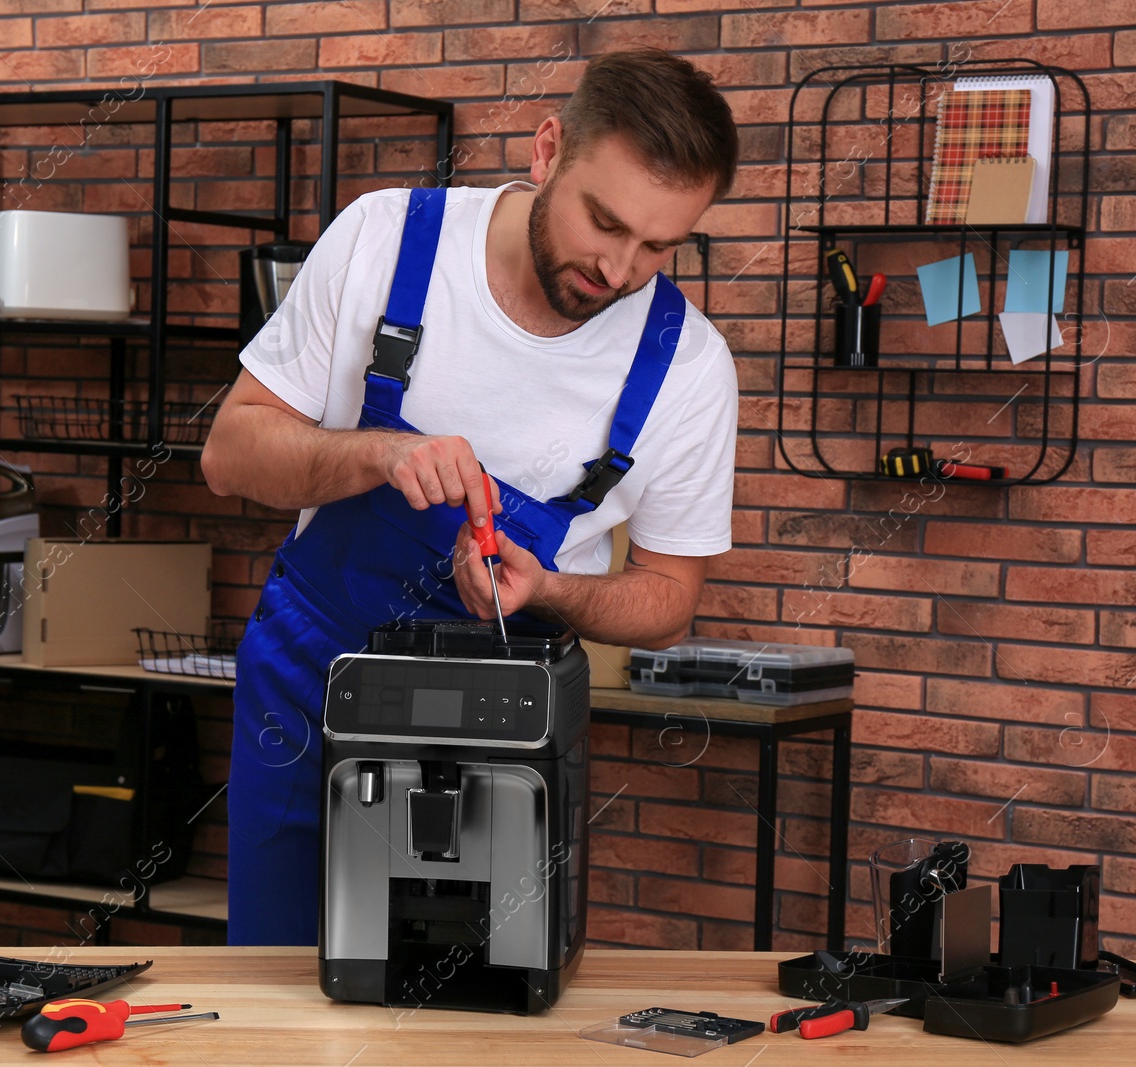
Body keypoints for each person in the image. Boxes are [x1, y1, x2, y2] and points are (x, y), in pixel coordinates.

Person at [200, 48, 741, 946]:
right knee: (279, 987)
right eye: (603, 223)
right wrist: (379, 454)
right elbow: (229, 454)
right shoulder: (384, 239)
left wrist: (553, 588)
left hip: (500, 736)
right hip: (308, 688)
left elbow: (670, 599)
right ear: (546, 151)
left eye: (658, 245)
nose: (618, 269)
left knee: (476, 1004)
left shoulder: (688, 366)